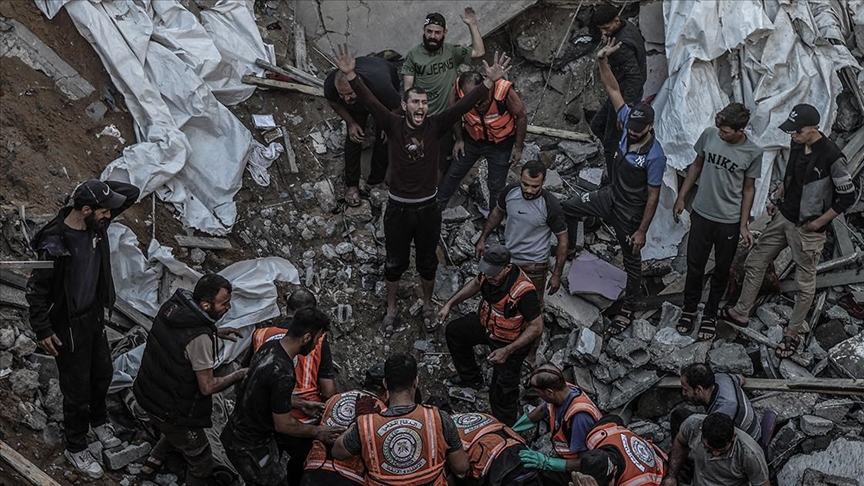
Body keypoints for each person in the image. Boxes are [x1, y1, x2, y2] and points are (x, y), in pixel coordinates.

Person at [333, 44, 512, 334]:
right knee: (394, 262)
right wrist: (352, 76)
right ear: (405, 106)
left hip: (428, 208)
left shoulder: (436, 125)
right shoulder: (392, 124)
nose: (420, 107)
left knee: (428, 262)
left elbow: (462, 106)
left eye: (424, 103)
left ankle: (428, 305)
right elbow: (369, 100)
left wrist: (489, 82)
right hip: (398, 208)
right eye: (414, 102)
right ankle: (392, 308)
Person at [719, 103, 855, 358]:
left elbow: (847, 197)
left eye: (798, 131)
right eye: (792, 130)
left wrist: (819, 223)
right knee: (755, 260)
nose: (793, 134)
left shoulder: (832, 156)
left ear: (814, 128)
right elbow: (791, 174)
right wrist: (777, 197)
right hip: (784, 216)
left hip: (808, 228)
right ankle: (742, 311)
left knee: (805, 283)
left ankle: (792, 333)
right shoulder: (797, 144)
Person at [26, 178, 140, 478]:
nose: (109, 216)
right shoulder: (54, 242)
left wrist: (92, 189)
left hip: (94, 316)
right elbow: (36, 290)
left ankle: (98, 421)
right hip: (69, 325)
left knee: (102, 374)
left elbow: (131, 193)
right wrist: (43, 329)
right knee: (76, 390)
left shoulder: (96, 225)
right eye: (104, 210)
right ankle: (76, 447)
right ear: (87, 210)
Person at [562, 39, 666, 335]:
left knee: (632, 262)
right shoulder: (627, 119)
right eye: (629, 128)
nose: (631, 133)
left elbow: (653, 196)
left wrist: (642, 231)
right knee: (568, 207)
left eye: (637, 131)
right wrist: (602, 61)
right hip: (609, 196)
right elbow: (614, 90)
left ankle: (628, 309)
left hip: (629, 214)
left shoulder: (654, 156)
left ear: (649, 127)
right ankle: (571, 248)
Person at [134, 274, 247, 484]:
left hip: (147, 393)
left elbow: (181, 336)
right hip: (170, 410)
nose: (228, 307)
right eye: (224, 303)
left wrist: (214, 331)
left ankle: (153, 461)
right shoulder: (199, 339)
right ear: (205, 305)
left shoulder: (173, 307)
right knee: (201, 460)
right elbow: (207, 386)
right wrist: (239, 374)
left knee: (176, 431)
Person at [221, 308, 344, 486]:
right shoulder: (283, 372)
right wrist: (318, 431)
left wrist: (300, 404)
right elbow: (284, 424)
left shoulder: (269, 347)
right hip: (250, 446)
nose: (316, 345)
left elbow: (258, 389)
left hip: (236, 432)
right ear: (306, 338)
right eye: (317, 339)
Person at [672, 103, 764, 341]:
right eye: (720, 129)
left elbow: (749, 189)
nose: (721, 134)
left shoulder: (753, 152)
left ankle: (710, 314)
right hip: (701, 213)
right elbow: (696, 165)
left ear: (740, 130)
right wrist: (682, 196)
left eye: (726, 131)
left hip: (728, 221)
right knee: (695, 265)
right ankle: (689, 309)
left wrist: (743, 224)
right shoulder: (709, 135)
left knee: (721, 271)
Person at [440, 245, 544, 425]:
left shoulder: (524, 291)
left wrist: (507, 350)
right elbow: (475, 284)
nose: (489, 276)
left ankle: (506, 429)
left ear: (507, 267)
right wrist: (449, 304)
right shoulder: (488, 275)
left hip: (511, 341)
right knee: (455, 332)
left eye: (494, 273)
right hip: (487, 326)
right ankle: (471, 378)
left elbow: (536, 327)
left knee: (502, 390)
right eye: (487, 272)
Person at [332, 353, 471, 485]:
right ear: (416, 381)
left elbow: (338, 452)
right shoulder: (439, 419)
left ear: (385, 384)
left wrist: (358, 420)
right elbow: (461, 467)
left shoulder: (366, 425)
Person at [250, 289, 336, 485]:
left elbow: (248, 376)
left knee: (265, 468)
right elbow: (328, 390)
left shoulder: (260, 335)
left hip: (265, 418)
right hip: (303, 422)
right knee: (299, 468)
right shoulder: (317, 340)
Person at [475, 160, 569, 305]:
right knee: (498, 301)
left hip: (534, 267)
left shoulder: (551, 205)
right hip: (508, 261)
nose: (529, 190)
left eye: (535, 186)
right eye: (525, 184)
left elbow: (563, 241)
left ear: (543, 182)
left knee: (530, 308)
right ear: (520, 177)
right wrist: (483, 238)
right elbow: (497, 213)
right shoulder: (510, 192)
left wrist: (557, 274)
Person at [437, 70, 528, 210]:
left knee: (496, 185)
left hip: (501, 144)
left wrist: (518, 147)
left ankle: (494, 218)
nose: (472, 100)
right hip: (472, 140)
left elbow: (521, 117)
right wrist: (459, 139)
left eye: (476, 95)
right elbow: (454, 113)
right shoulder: (458, 90)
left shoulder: (502, 90)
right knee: (454, 173)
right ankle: (436, 208)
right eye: (469, 97)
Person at [323, 56, 400, 206]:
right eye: (342, 95)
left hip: (380, 96)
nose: (346, 99)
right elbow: (333, 102)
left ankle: (376, 181)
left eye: (350, 93)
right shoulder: (331, 84)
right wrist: (351, 122)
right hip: (360, 100)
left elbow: (397, 106)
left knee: (384, 137)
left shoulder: (381, 86)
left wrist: (388, 124)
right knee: (354, 137)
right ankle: (352, 185)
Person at [512, 364, 602, 486]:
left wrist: (547, 463)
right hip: (566, 459)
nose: (537, 395)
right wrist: (512, 430)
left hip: (582, 473)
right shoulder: (562, 391)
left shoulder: (579, 417)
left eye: (538, 392)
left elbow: (585, 462)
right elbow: (542, 409)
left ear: (549, 392)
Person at [301, 364, 388, 486]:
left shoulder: (334, 399)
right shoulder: (383, 412)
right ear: (387, 389)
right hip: (349, 476)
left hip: (314, 469)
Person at [588, 4, 647, 171]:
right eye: (601, 29)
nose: (603, 33)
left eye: (606, 28)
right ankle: (619, 158)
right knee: (597, 125)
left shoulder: (621, 46)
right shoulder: (626, 26)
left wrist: (624, 110)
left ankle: (616, 177)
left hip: (624, 97)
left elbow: (634, 78)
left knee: (611, 142)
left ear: (616, 20)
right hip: (618, 92)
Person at [402, 9, 486, 116]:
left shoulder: (452, 51)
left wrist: (472, 25)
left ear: (445, 32)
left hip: (450, 113)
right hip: (426, 116)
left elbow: (479, 51)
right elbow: (408, 89)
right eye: (429, 31)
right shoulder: (413, 55)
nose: (432, 36)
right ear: (424, 30)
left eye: (437, 32)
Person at [661, 413, 769, 486]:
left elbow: (762, 484)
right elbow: (680, 441)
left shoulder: (750, 455)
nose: (715, 454)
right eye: (710, 449)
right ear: (701, 432)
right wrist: (672, 475)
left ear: (733, 437)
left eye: (722, 450)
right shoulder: (693, 426)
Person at [672, 363, 760, 441]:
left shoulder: (725, 411)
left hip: (746, 441)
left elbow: (710, 437)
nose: (684, 393)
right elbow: (742, 379)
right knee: (679, 415)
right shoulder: (722, 378)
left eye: (686, 390)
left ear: (699, 389)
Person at [450, 411, 540, 486]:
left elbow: (461, 468)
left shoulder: (447, 431)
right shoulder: (480, 415)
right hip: (521, 452)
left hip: (497, 465)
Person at [577, 415, 666, 486]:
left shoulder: (638, 482)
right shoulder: (597, 436)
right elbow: (614, 418)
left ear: (615, 470)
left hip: (660, 464)